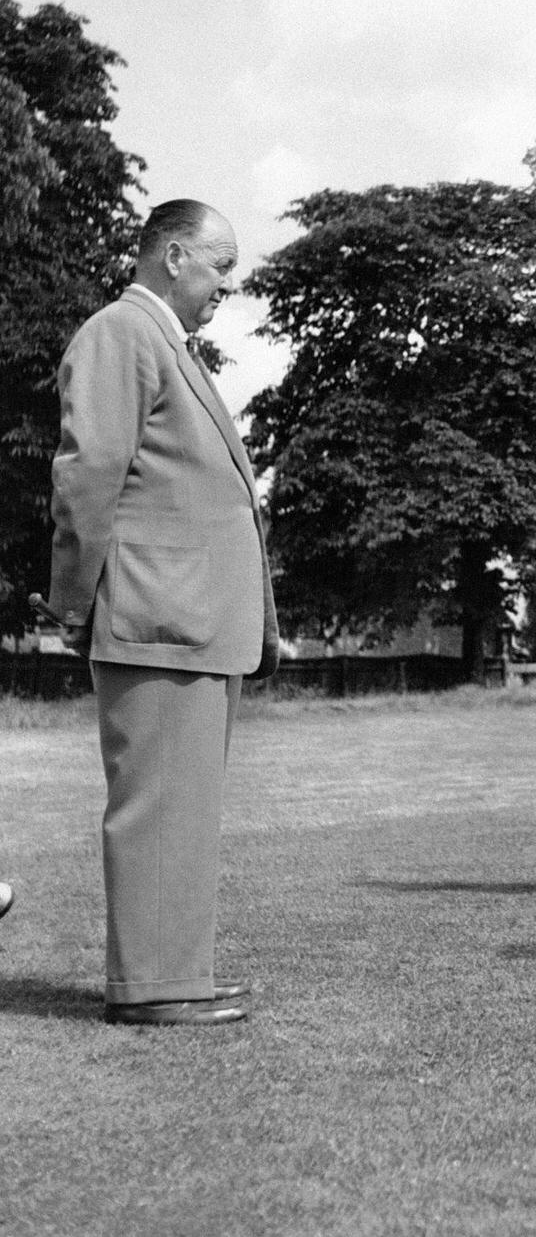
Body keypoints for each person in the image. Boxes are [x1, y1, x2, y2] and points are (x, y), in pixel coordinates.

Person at [46, 199, 279, 1026]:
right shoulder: (120, 332)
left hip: (195, 621)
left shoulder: (163, 341)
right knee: (156, 806)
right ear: (174, 255)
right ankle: (152, 986)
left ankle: (178, 970)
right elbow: (87, 477)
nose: (229, 284)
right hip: (158, 616)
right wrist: (73, 603)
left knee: (186, 811)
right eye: (220, 265)